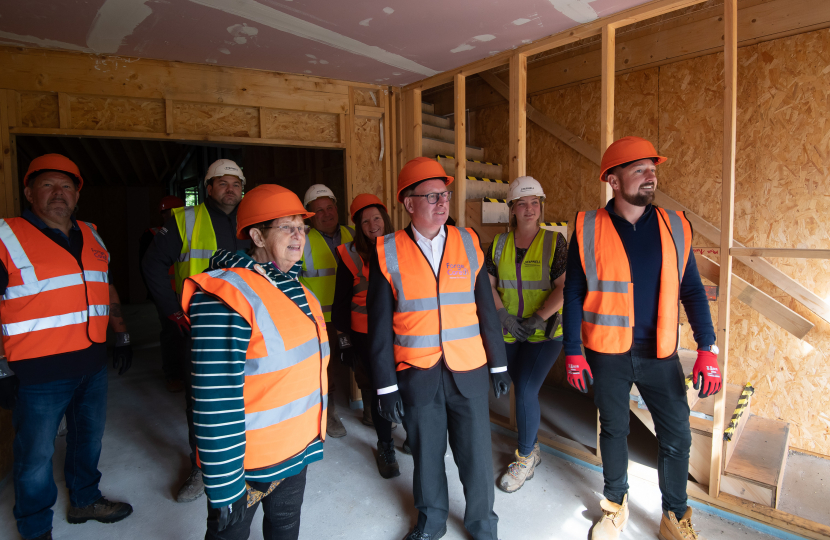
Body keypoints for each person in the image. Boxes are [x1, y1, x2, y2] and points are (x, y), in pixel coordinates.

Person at [561, 137, 721, 540]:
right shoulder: (588, 226)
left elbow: (693, 291)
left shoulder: (675, 226)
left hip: (661, 352)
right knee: (613, 431)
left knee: (677, 435)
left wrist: (708, 347)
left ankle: (674, 516)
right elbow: (574, 292)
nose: (651, 176)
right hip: (607, 351)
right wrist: (573, 351)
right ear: (613, 180)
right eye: (640, 170)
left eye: (653, 169)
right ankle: (615, 507)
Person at [368, 157, 511, 540]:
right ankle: (431, 523)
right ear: (408, 203)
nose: (441, 202)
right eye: (431, 196)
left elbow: (486, 310)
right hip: (418, 373)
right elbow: (379, 328)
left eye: (444, 194)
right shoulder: (387, 251)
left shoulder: (468, 242)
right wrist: (385, 386)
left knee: (478, 456)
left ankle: (483, 525)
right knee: (427, 457)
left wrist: (498, 365)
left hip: (469, 371)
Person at [181, 183, 328, 540]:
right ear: (257, 236)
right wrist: (225, 485)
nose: (299, 236)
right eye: (287, 227)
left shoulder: (300, 291)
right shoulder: (224, 296)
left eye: (302, 228)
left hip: (296, 453)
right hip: (247, 467)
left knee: (285, 527)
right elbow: (214, 399)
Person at [0, 154, 134, 540]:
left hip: (91, 363)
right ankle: (35, 527)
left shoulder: (91, 233)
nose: (59, 193)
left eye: (67, 186)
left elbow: (105, 286)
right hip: (37, 370)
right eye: (48, 185)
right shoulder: (7, 237)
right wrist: (0, 367)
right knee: (35, 456)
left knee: (87, 438)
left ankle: (85, 500)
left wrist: (121, 333)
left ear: (77, 194)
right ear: (28, 191)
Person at [141, 158, 249, 503]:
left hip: (247, 325)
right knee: (202, 402)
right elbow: (153, 264)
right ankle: (202, 468)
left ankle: (247, 462)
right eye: (222, 183)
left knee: (250, 394)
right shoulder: (184, 220)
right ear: (209, 188)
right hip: (201, 327)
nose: (229, 189)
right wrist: (172, 310)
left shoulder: (253, 221)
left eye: (235, 184)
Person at [487, 176, 567, 493]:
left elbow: (565, 287)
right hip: (508, 331)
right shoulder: (498, 244)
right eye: (523, 203)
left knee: (525, 390)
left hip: (544, 332)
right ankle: (530, 445)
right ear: (512, 209)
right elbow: (489, 287)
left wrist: (538, 318)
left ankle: (525, 457)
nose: (530, 209)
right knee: (507, 385)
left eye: (535, 203)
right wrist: (503, 316)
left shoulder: (554, 242)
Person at [332, 193, 399, 479]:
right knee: (377, 390)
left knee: (409, 386)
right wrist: (345, 342)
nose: (373, 225)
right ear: (358, 226)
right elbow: (340, 302)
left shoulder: (403, 247)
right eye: (365, 221)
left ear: (385, 219)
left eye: (376, 218)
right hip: (366, 336)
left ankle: (416, 436)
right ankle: (385, 446)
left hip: (401, 332)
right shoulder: (350, 255)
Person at [300, 184, 355, 438]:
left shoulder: (351, 233)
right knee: (326, 367)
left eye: (329, 207)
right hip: (321, 319)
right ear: (309, 215)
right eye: (318, 210)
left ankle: (369, 411)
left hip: (354, 313)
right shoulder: (301, 239)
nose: (326, 213)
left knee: (363, 361)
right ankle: (329, 413)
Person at [139, 195, 186, 392]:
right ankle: (173, 374)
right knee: (172, 332)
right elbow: (148, 267)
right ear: (163, 214)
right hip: (166, 294)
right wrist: (158, 295)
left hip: (185, 292)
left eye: (177, 211)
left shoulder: (188, 230)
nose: (174, 215)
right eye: (170, 212)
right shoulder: (152, 234)